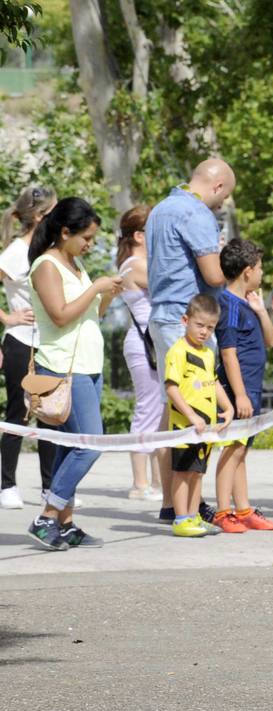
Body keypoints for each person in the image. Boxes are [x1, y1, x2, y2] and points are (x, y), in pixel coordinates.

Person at [24, 198, 122, 550]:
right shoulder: (46, 266)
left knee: (70, 447)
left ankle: (65, 524)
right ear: (65, 232)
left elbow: (89, 314)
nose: (90, 245)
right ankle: (46, 516)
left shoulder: (76, 266)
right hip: (65, 366)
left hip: (88, 366)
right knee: (90, 444)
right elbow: (61, 315)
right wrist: (96, 288)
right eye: (86, 238)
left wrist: (107, 294)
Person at [145, 158, 235, 523]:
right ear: (216, 188)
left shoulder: (159, 210)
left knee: (175, 414)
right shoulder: (197, 213)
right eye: (222, 199)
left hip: (161, 316)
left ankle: (172, 503)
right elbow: (213, 274)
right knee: (196, 410)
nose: (219, 206)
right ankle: (189, 507)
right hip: (190, 321)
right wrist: (224, 253)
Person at [212, 238, 273, 532]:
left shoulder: (247, 304)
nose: (263, 273)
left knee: (242, 449)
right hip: (239, 390)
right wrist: (238, 394)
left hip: (253, 386)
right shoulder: (228, 307)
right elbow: (228, 354)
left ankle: (243, 509)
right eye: (261, 268)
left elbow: (271, 340)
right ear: (247, 271)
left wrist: (262, 310)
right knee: (233, 448)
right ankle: (223, 511)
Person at [0, 185, 58, 508]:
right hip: (21, 342)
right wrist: (7, 316)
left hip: (49, 344)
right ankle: (7, 483)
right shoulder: (14, 253)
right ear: (38, 216)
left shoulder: (49, 250)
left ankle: (50, 487)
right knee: (18, 413)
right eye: (54, 211)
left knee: (49, 415)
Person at [164, 293, 234, 538]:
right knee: (182, 473)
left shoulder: (207, 352)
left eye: (210, 327)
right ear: (185, 320)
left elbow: (213, 382)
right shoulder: (178, 352)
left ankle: (194, 516)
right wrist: (191, 416)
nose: (204, 331)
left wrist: (227, 407)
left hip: (207, 430)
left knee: (197, 473)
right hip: (186, 429)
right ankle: (181, 518)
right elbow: (171, 387)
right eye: (200, 325)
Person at [115, 204, 164, 502]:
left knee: (161, 413)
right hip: (143, 343)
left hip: (153, 341)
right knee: (147, 409)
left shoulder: (142, 261)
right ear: (139, 235)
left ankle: (158, 480)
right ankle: (140, 482)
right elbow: (166, 284)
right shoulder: (135, 265)